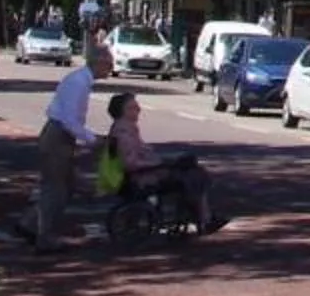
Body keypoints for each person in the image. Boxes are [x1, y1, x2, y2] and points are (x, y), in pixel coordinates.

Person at [103, 90, 221, 231]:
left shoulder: (126, 129)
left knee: (190, 167)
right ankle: (204, 218)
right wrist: (158, 164)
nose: (139, 109)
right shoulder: (123, 133)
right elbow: (130, 164)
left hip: (141, 175)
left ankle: (201, 215)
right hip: (140, 179)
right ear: (124, 111)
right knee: (193, 176)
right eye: (134, 107)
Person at [36, 34, 106, 251]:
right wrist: (92, 139)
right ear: (99, 62)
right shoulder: (79, 83)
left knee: (67, 185)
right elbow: (69, 120)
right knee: (55, 188)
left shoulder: (82, 80)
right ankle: (44, 237)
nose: (110, 68)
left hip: (61, 136)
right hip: (58, 135)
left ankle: (31, 225)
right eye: (109, 64)